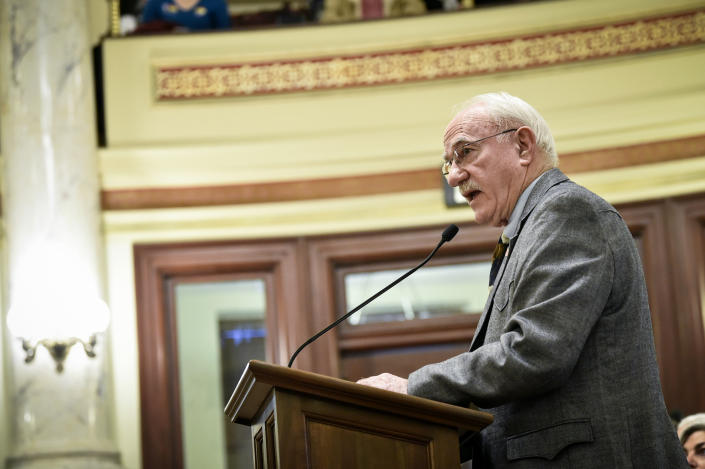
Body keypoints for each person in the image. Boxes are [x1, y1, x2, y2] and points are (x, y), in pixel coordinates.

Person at [357, 92, 688, 467]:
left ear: (523, 145)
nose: (453, 175)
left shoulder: (566, 211)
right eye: (448, 162)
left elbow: (535, 352)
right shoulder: (528, 229)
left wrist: (413, 389)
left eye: (464, 152)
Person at [140, 0, 230, 32]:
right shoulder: (155, 2)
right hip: (163, 56)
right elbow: (144, 32)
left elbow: (225, 35)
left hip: (205, 56)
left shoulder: (216, 2)